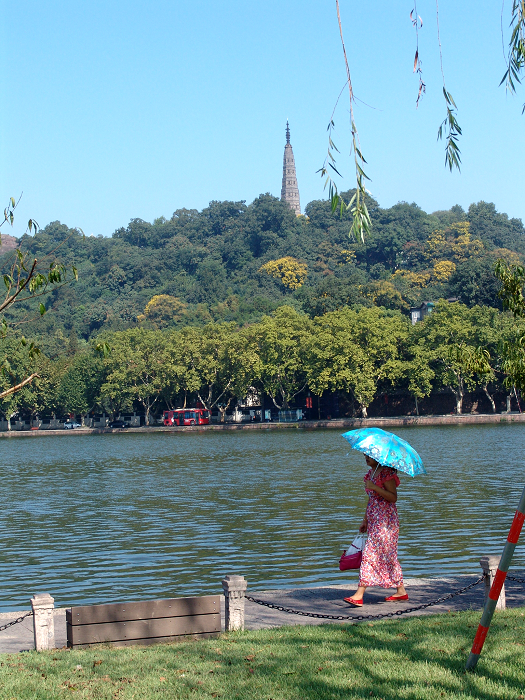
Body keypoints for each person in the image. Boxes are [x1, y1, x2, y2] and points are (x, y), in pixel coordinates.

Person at [344, 454, 408, 607]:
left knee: (370, 553)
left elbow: (393, 497)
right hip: (374, 520)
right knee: (388, 554)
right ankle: (401, 591)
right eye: (365, 454)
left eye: (370, 455)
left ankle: (359, 595)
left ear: (379, 457)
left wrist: (375, 487)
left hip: (386, 522)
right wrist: (365, 520)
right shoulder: (371, 474)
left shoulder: (387, 473)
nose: (366, 457)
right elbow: (372, 499)